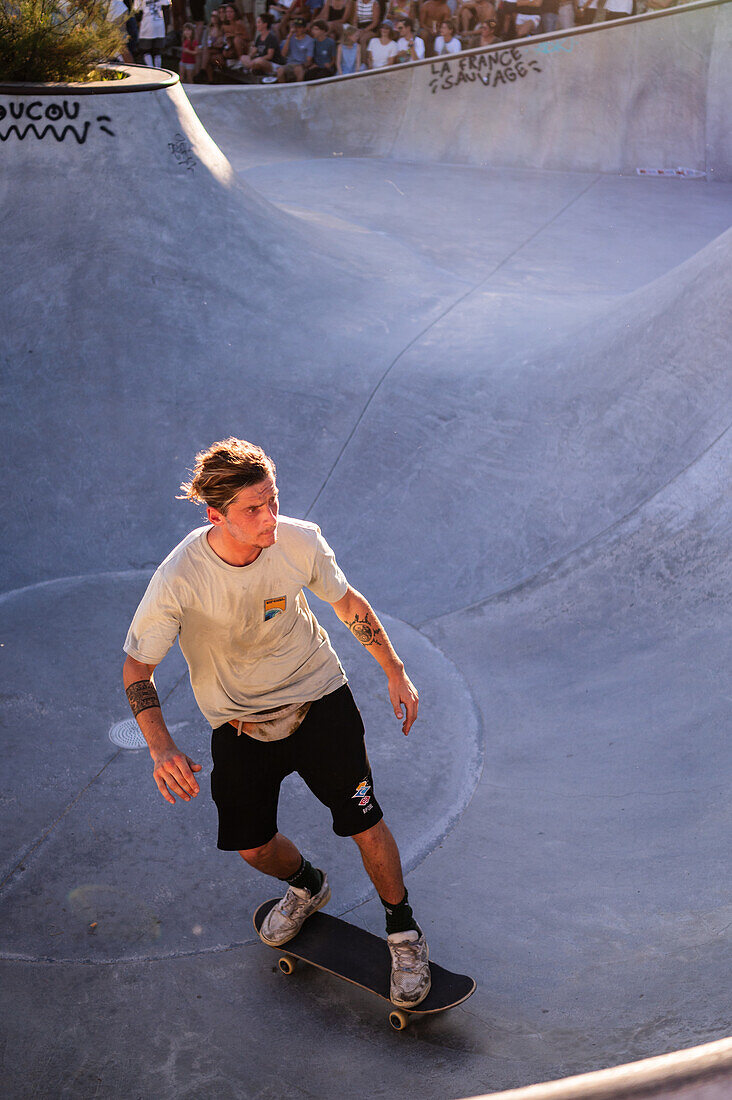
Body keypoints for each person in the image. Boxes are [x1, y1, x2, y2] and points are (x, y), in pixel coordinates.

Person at [122, 439, 430, 1009]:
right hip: (240, 724)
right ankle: (308, 885)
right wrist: (160, 746)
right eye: (252, 510)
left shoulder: (299, 541)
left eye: (273, 501)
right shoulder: (181, 576)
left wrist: (394, 670)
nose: (269, 518)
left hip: (320, 700)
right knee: (253, 848)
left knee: (364, 819)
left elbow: (348, 605)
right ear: (216, 516)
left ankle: (403, 930)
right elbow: (139, 664)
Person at [135, 0, 172, 67]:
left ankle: (151, 68)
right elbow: (167, 6)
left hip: (147, 25)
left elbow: (137, 11)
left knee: (146, 51)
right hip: (159, 24)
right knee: (157, 51)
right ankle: (158, 68)